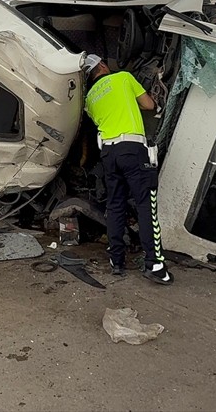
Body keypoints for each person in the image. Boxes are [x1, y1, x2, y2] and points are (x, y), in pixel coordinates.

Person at [81, 53, 172, 285]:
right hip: (132, 149)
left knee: (115, 205)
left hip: (109, 154)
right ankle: (156, 265)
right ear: (102, 65)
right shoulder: (123, 77)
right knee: (145, 204)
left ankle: (117, 261)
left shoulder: (89, 99)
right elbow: (149, 105)